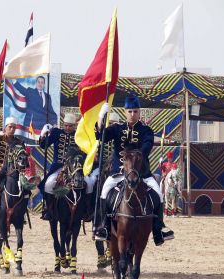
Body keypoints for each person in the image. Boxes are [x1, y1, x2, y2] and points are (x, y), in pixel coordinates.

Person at [94, 96, 175, 246]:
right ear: (125, 112)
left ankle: (159, 229)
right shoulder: (117, 129)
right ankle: (104, 226)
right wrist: (100, 118)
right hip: (119, 172)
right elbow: (101, 135)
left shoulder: (146, 130)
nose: (132, 114)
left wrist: (136, 158)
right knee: (104, 191)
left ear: (139, 112)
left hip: (141, 172)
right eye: (130, 111)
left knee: (158, 192)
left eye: (135, 111)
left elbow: (147, 146)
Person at [38, 113, 96, 220]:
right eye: (66, 125)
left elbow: (86, 151)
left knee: (89, 183)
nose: (67, 128)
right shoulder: (56, 132)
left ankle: (87, 210)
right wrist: (43, 135)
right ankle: (49, 209)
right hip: (58, 167)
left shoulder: (79, 135)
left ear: (74, 126)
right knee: (48, 184)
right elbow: (43, 146)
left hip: (75, 169)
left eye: (70, 126)